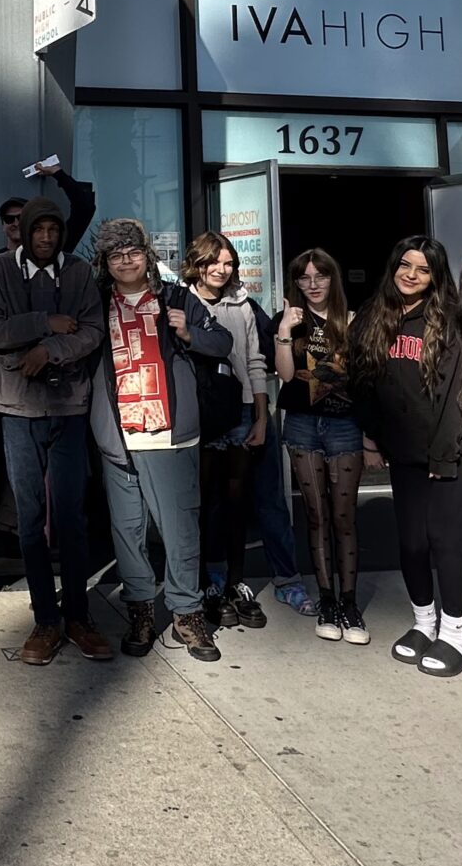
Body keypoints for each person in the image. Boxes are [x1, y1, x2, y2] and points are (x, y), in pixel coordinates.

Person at [0, 197, 113, 667]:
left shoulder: (77, 273)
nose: (47, 238)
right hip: (17, 407)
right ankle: (45, 618)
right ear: (26, 232)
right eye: (39, 231)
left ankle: (78, 615)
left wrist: (48, 350)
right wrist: (43, 324)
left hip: (69, 407)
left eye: (54, 230)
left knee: (72, 516)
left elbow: (93, 330)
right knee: (30, 518)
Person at [88, 219, 226, 663]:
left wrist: (190, 333)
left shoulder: (177, 298)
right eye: (116, 254)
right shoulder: (94, 304)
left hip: (170, 433)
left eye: (133, 252)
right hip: (118, 434)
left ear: (148, 256)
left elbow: (221, 343)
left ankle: (187, 614)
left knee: (180, 529)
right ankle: (141, 611)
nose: (126, 260)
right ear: (105, 264)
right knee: (128, 531)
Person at [352, 235, 462, 678]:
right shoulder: (374, 316)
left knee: (443, 539)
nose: (411, 275)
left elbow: (456, 396)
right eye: (405, 265)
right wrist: (371, 438)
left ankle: (453, 634)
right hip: (403, 452)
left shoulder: (453, 320)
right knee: (411, 542)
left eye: (422, 270)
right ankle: (424, 623)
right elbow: (362, 382)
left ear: (435, 275)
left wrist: (444, 458)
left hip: (448, 452)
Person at [272, 248, 370, 644]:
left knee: (344, 517)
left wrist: (372, 434)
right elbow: (284, 374)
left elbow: (364, 379)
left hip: (346, 425)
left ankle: (350, 603)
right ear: (296, 283)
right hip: (303, 424)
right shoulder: (292, 322)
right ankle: (326, 600)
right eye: (304, 279)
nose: (313, 285)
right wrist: (283, 330)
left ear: (333, 278)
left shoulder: (354, 320)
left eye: (320, 276)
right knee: (316, 515)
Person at [182, 231, 273, 631]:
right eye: (213, 262)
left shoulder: (242, 303)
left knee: (238, 501)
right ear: (196, 263)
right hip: (198, 413)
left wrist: (261, 415)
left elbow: (255, 360)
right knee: (203, 503)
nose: (221, 270)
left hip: (238, 410)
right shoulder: (181, 301)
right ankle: (206, 585)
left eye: (228, 263)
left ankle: (235, 582)